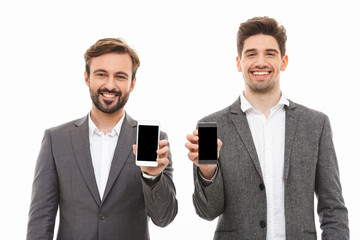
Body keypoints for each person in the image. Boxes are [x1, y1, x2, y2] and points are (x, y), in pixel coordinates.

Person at [185, 17, 349, 240]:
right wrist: (207, 171)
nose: (260, 62)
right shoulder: (213, 126)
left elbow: (333, 208)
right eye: (251, 54)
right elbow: (207, 212)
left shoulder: (315, 124)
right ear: (238, 62)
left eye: (270, 53)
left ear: (284, 61)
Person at [27, 38, 178, 240]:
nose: (110, 85)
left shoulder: (153, 139)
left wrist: (152, 178)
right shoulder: (56, 140)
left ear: (132, 83)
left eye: (120, 76)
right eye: (101, 74)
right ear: (87, 78)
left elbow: (163, 218)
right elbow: (41, 218)